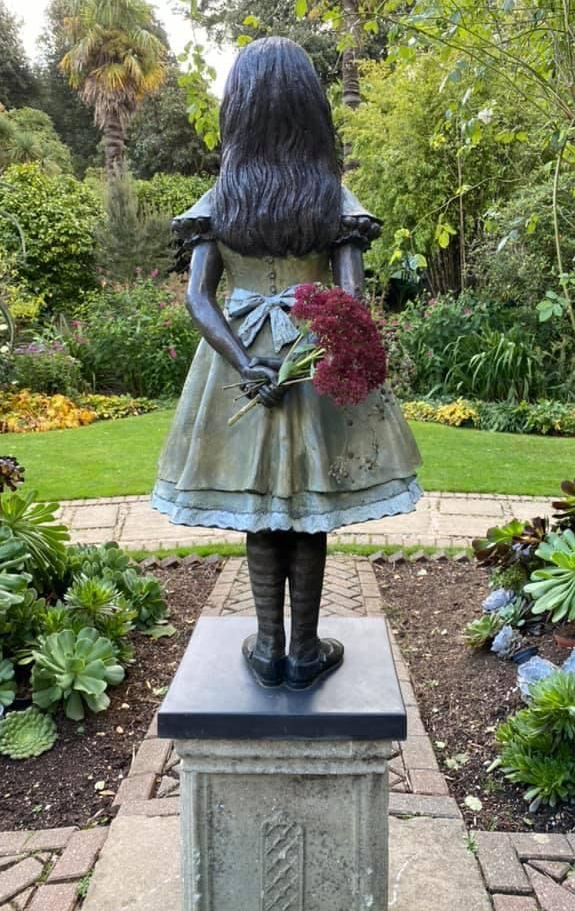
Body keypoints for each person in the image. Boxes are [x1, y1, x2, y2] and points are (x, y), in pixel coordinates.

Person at [151, 36, 421, 690]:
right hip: (313, 361)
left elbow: (198, 298)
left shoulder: (223, 197)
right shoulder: (332, 197)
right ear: (309, 108)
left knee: (260, 510)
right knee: (306, 507)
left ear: (238, 108)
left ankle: (268, 646)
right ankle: (304, 651)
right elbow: (350, 301)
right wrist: (303, 356)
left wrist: (248, 363)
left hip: (235, 366)